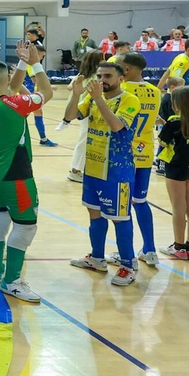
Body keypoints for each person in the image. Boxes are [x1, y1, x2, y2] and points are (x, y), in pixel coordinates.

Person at [0, 42, 53, 300]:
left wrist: (21, 62)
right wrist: (34, 63)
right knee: (26, 226)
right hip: (15, 174)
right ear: (7, 78)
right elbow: (47, 92)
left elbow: (8, 87)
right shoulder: (16, 104)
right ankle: (12, 281)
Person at [64, 60, 141, 287]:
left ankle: (128, 264)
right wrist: (76, 94)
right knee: (94, 214)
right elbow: (69, 117)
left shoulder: (129, 100)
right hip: (94, 167)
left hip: (117, 170)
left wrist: (98, 98)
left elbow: (117, 126)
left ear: (121, 79)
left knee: (119, 218)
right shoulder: (92, 97)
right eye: (99, 76)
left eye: (107, 76)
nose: (102, 81)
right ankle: (97, 258)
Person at [114, 52, 163, 267]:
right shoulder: (154, 91)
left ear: (126, 70)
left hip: (123, 154)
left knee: (122, 206)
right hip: (146, 153)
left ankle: (128, 253)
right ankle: (150, 249)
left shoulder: (122, 91)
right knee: (141, 202)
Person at [157, 85, 189, 260]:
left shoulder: (174, 121)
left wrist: (163, 125)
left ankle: (178, 246)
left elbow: (162, 142)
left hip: (176, 167)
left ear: (178, 103)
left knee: (178, 207)